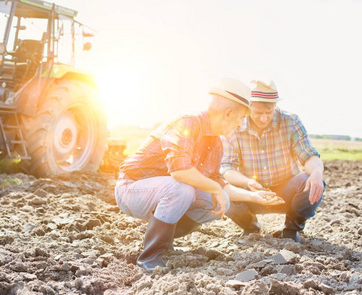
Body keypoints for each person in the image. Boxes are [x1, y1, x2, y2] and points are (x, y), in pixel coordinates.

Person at [115, 78, 282, 271]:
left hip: (163, 193)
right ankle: (151, 256)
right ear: (228, 114)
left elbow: (216, 183)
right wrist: (213, 188)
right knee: (182, 189)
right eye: (240, 119)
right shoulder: (187, 123)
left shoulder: (216, 143)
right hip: (131, 189)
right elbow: (179, 170)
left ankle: (166, 243)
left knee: (222, 200)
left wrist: (253, 196)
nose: (239, 125)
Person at [220, 80, 325, 243]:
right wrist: (248, 182)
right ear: (249, 107)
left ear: (275, 105)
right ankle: (250, 227)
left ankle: (292, 229)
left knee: (310, 180)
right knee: (222, 189)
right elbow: (227, 168)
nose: (263, 119)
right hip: (252, 192)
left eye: (268, 112)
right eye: (258, 112)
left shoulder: (291, 122)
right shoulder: (235, 126)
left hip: (286, 191)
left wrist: (317, 172)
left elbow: (308, 155)